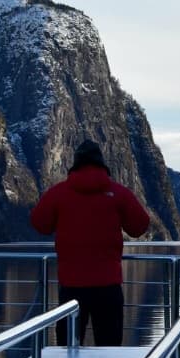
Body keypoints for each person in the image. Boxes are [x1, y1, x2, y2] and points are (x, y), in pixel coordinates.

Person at [30, 140, 151, 346]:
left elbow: (40, 224)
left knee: (68, 349)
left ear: (75, 164)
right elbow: (139, 226)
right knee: (109, 347)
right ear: (102, 163)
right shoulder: (119, 193)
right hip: (108, 285)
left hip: (71, 285)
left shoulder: (58, 193)